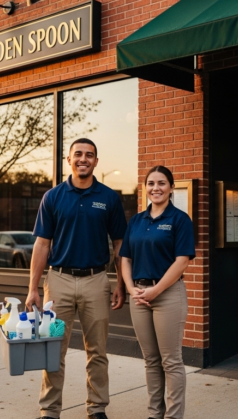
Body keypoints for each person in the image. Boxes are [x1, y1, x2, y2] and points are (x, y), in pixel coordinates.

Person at [26, 138, 127, 419]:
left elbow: (119, 244)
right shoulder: (54, 197)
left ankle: (96, 409)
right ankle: (49, 410)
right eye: (78, 154)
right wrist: (32, 289)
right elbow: (42, 245)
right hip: (59, 281)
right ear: (68, 160)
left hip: (96, 281)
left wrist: (119, 283)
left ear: (96, 161)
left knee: (97, 350)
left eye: (90, 155)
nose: (84, 159)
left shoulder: (108, 198)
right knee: (53, 349)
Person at [120, 166, 195, 419]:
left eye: (162, 183)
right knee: (151, 360)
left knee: (171, 361)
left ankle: (173, 416)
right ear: (145, 188)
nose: (156, 188)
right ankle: (155, 415)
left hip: (168, 295)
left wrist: (155, 290)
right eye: (151, 183)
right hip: (139, 295)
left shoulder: (180, 220)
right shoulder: (136, 221)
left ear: (171, 188)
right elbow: (126, 258)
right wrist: (131, 289)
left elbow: (182, 261)